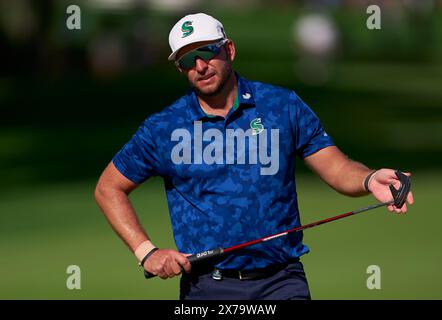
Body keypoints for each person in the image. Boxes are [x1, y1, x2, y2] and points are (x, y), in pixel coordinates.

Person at [94, 13, 414, 300]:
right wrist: (146, 252)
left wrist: (369, 178)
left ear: (229, 50)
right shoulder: (163, 127)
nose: (200, 66)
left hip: (283, 282)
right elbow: (108, 188)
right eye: (188, 60)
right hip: (206, 288)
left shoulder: (282, 105)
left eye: (207, 52)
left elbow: (335, 166)